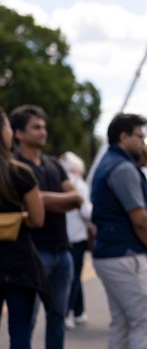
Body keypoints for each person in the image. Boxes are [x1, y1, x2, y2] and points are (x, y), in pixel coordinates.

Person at [10, 104, 83, 349]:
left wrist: (41, 200)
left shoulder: (54, 163)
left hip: (62, 252)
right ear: (18, 133)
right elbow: (42, 201)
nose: (43, 131)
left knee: (58, 317)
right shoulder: (15, 166)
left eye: (44, 126)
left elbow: (77, 198)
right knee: (25, 321)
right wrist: (55, 200)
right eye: (36, 127)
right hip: (32, 253)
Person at [90, 113, 147, 349]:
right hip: (125, 254)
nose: (143, 141)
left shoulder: (107, 163)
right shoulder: (123, 169)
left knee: (121, 323)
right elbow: (140, 219)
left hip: (109, 253)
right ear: (123, 136)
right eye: (139, 135)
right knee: (146, 321)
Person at [0, 107, 48, 349]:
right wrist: (18, 218)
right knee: (20, 330)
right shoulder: (20, 173)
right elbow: (37, 220)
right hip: (18, 262)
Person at [58, 151, 92, 329]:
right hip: (78, 237)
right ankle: (71, 311)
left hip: (64, 236)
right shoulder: (80, 185)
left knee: (72, 276)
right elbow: (87, 213)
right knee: (74, 276)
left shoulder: (59, 182)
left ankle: (78, 311)